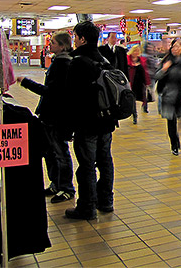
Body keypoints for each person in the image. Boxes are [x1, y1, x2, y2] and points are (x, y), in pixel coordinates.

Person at [65, 21, 117, 220]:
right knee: (105, 161)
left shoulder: (78, 62)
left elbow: (71, 97)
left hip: (86, 123)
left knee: (86, 165)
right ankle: (106, 201)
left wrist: (68, 127)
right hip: (106, 122)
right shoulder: (104, 60)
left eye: (76, 36)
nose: (74, 40)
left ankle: (87, 207)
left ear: (82, 39)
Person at [17, 31, 75, 204]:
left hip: (56, 116)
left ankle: (66, 188)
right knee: (51, 152)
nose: (50, 45)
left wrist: (26, 82)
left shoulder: (62, 64)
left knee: (59, 152)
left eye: (54, 43)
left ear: (63, 46)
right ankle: (56, 184)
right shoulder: (61, 62)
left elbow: (51, 92)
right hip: (51, 115)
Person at [155, 39, 181, 156]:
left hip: (179, 96)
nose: (175, 49)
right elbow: (156, 76)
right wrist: (164, 69)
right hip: (167, 96)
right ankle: (174, 145)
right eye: (174, 47)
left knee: (178, 118)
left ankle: (175, 140)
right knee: (171, 121)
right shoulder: (166, 61)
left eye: (178, 47)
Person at [127, 45, 150, 124]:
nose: (136, 52)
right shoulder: (127, 60)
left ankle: (144, 107)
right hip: (131, 83)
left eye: (137, 51)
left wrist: (147, 83)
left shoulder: (142, 60)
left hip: (140, 83)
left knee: (142, 98)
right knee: (133, 100)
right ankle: (134, 115)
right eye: (134, 51)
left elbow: (145, 72)